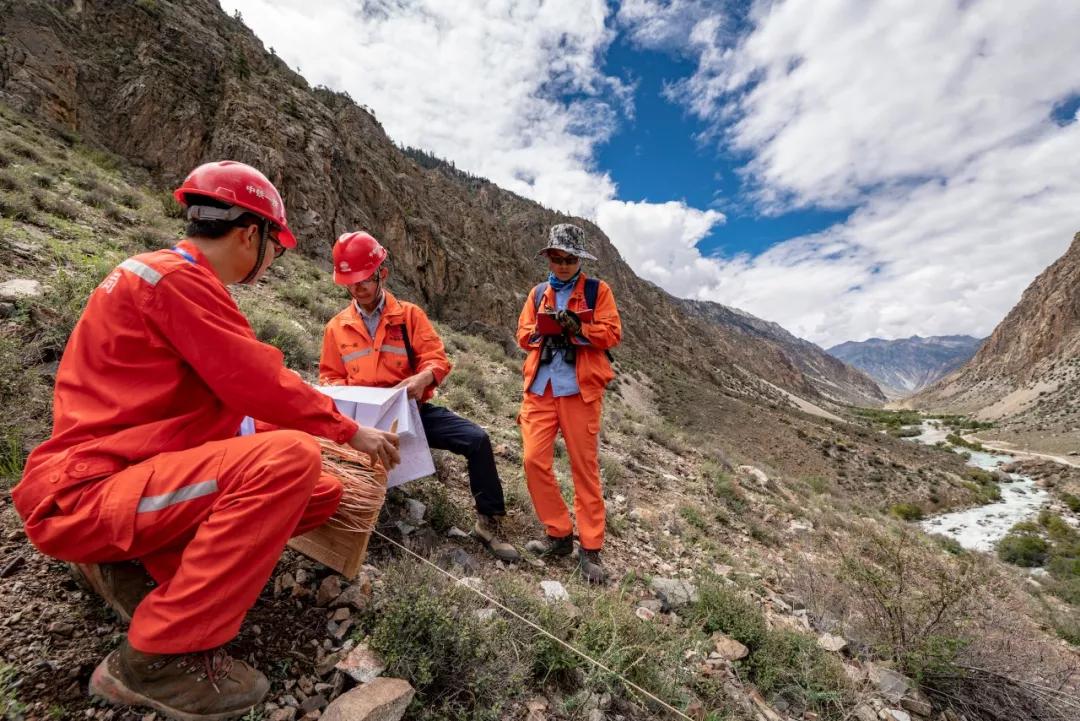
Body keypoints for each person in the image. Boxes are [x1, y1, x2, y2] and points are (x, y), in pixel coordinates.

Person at [12, 161, 400, 721]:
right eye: (275, 249)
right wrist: (346, 430)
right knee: (290, 460)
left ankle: (120, 562)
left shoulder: (156, 274)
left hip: (115, 478)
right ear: (250, 234)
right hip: (86, 496)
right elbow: (257, 382)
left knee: (317, 493)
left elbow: (213, 407)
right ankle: (158, 656)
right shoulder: (178, 280)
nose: (271, 263)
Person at [319, 231, 520, 563]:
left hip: (410, 411)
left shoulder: (409, 315)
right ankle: (348, 522)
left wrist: (423, 377)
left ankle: (489, 523)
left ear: (381, 273)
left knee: (477, 440)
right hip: (362, 421)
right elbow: (329, 377)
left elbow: (437, 359)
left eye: (365, 279)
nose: (358, 288)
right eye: (351, 282)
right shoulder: (336, 327)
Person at [517, 223, 621, 583]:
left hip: (580, 391)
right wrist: (539, 331)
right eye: (557, 258)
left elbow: (612, 333)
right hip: (541, 388)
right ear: (548, 256)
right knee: (533, 460)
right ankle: (558, 534)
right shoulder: (537, 294)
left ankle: (590, 549)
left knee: (584, 468)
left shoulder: (597, 291)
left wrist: (578, 329)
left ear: (579, 259)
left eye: (569, 258)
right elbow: (522, 334)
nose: (563, 264)